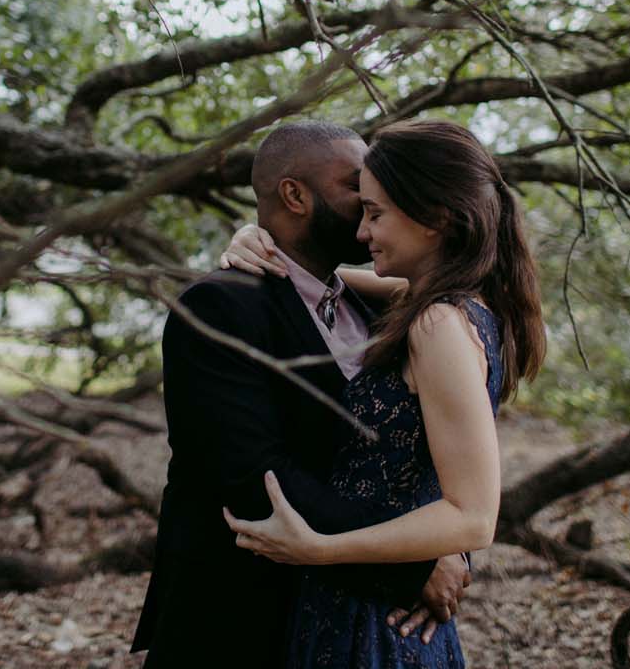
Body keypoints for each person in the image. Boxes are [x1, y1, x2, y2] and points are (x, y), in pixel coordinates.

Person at [131, 120, 472, 669]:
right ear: (294, 195)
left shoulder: (386, 309)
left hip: (350, 624)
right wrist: (413, 564)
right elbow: (251, 477)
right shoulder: (219, 309)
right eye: (356, 189)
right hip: (242, 623)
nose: (370, 205)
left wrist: (439, 540)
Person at [221, 119, 545, 668]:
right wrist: (255, 239)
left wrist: (322, 549)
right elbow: (322, 282)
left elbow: (473, 518)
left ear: (437, 217)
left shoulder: (438, 325)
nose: (362, 232)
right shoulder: (444, 300)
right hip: (360, 604)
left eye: (375, 214)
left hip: (376, 617)